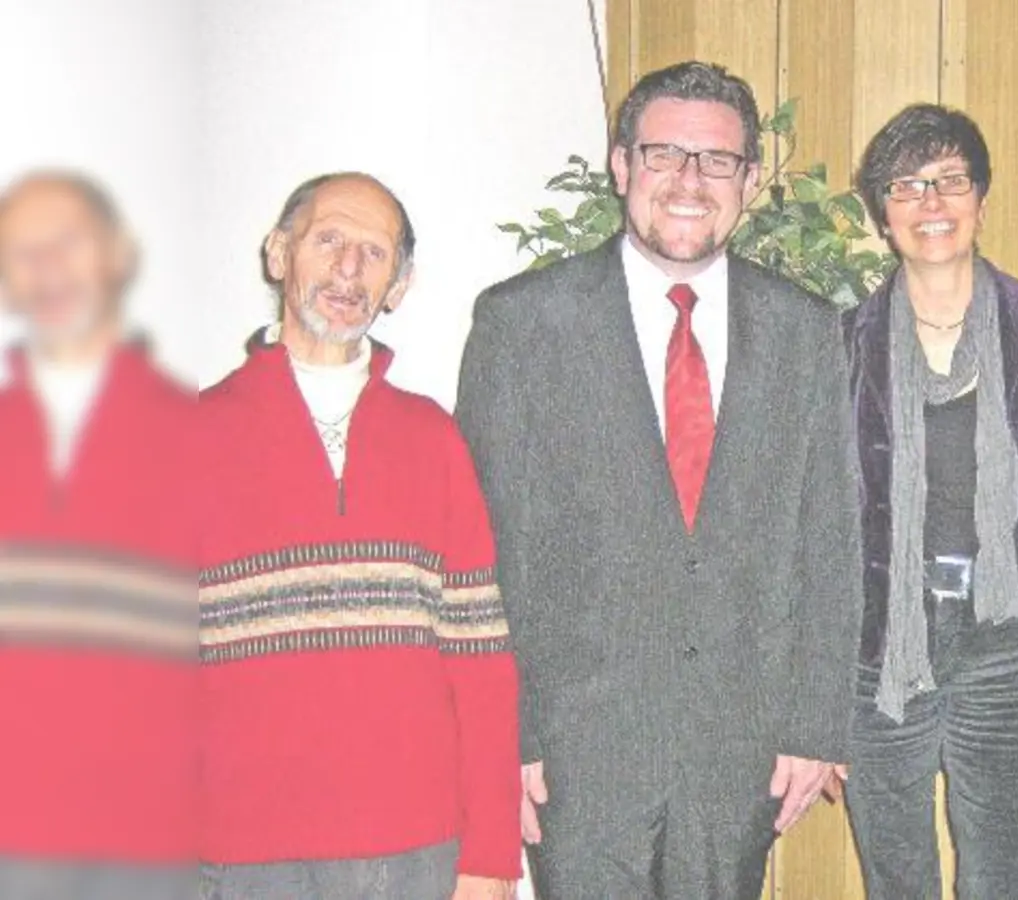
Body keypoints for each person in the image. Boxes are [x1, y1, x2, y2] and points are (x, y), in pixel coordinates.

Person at [455, 60, 862, 899]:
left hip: (737, 744)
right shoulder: (522, 323)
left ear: (749, 180)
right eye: (664, 154)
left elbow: (831, 536)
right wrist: (498, 731)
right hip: (576, 745)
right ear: (621, 166)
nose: (689, 182)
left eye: (716, 161)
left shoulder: (806, 332)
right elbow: (482, 548)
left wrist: (815, 721)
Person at [196, 172, 520, 900]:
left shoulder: (433, 438)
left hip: (416, 858)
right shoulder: (187, 437)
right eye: (329, 240)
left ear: (398, 286)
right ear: (279, 253)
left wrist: (492, 858)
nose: (348, 268)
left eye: (374, 254)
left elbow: (482, 668)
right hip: (240, 858)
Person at [838, 104, 1018, 898]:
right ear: (883, 213)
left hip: (1008, 642)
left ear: (982, 198)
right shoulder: (838, 345)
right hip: (877, 646)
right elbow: (814, 521)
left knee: (1003, 880)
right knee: (897, 882)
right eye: (907, 186)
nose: (931, 202)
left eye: (950, 181)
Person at [0, 172, 194, 900]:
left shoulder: (198, 432)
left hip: (153, 851)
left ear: (118, 254)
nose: (47, 267)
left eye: (69, 243)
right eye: (23, 250)